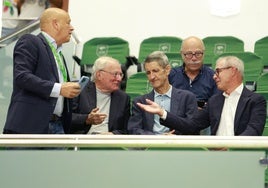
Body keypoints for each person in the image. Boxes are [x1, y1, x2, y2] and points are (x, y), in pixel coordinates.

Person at [137, 56, 267, 136]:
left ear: (233, 71)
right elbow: (191, 125)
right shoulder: (215, 101)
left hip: (243, 158)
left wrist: (230, 149)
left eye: (218, 71)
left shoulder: (256, 101)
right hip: (215, 157)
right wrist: (162, 113)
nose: (214, 76)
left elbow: (253, 132)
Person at [3, 7, 81, 134]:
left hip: (58, 126)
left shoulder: (59, 54)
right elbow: (22, 77)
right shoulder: (30, 41)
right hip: (29, 126)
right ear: (55, 24)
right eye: (68, 23)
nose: (72, 28)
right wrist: (59, 89)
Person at [128, 51, 198, 135]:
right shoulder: (140, 102)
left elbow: (192, 127)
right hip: (149, 146)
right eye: (148, 73)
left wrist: (175, 136)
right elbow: (134, 129)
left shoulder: (187, 98)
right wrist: (157, 138)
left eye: (155, 71)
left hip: (178, 145)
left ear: (167, 70)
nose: (152, 77)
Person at [71, 56, 130, 135]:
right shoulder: (79, 88)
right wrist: (86, 119)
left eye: (120, 74)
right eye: (115, 74)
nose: (119, 79)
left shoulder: (123, 98)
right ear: (99, 75)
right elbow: (65, 118)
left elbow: (126, 129)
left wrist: (113, 134)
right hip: (82, 139)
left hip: (110, 142)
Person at [169, 36, 219, 109]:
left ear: (204, 53)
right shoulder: (171, 75)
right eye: (189, 54)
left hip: (203, 118)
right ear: (182, 54)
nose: (194, 58)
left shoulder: (213, 77)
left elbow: (217, 106)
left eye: (198, 53)